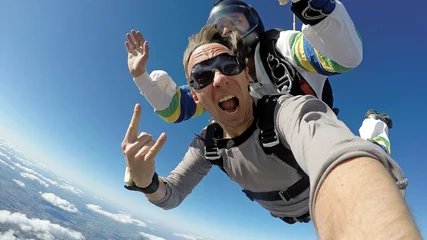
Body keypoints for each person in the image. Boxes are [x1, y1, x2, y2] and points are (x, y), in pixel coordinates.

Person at [121, 24, 421, 239]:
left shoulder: (287, 112)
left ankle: (375, 123)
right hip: (293, 212)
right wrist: (146, 181)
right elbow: (170, 195)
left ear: (245, 74)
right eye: (201, 75)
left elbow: (340, 157)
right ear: (195, 95)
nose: (219, 79)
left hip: (315, 202)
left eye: (228, 64)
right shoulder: (207, 145)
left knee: (373, 149)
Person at [126, 0, 394, 156]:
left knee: (373, 158)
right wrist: (142, 78)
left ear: (253, 23)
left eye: (236, 20)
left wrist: (312, 6)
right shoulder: (220, 77)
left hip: (319, 131)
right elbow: (178, 109)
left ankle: (375, 123)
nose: (228, 28)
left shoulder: (280, 47)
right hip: (284, 152)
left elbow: (343, 57)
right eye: (221, 25)